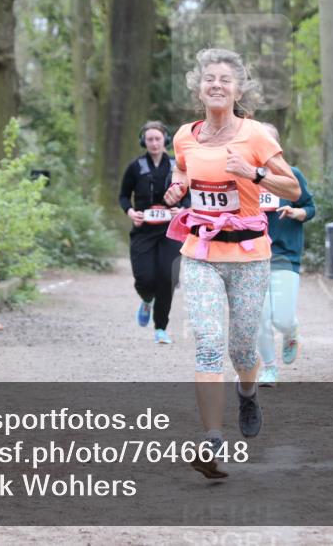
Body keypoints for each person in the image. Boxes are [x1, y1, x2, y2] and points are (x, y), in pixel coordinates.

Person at [163, 48, 301, 479]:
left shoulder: (257, 135)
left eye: (225, 79)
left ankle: (247, 391)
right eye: (209, 79)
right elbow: (183, 171)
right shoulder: (185, 135)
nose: (217, 84)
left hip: (249, 255)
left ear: (238, 89)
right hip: (201, 253)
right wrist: (176, 187)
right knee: (207, 343)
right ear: (198, 88)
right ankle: (211, 440)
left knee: (241, 347)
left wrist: (254, 174)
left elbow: (293, 189)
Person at [255, 123, 316, 387]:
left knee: (281, 318)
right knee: (259, 317)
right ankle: (269, 367)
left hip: (285, 255)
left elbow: (309, 207)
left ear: (276, 148)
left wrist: (298, 212)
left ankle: (290, 332)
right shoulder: (246, 177)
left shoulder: (292, 175)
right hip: (252, 256)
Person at [118, 121, 189, 343]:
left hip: (171, 231)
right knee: (144, 277)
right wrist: (130, 212)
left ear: (166, 140)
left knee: (167, 277)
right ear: (144, 142)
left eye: (158, 139)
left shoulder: (176, 166)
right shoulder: (136, 167)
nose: (154, 143)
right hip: (143, 231)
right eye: (150, 139)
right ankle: (147, 299)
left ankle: (161, 328)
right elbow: (123, 196)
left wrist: (183, 208)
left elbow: (190, 193)